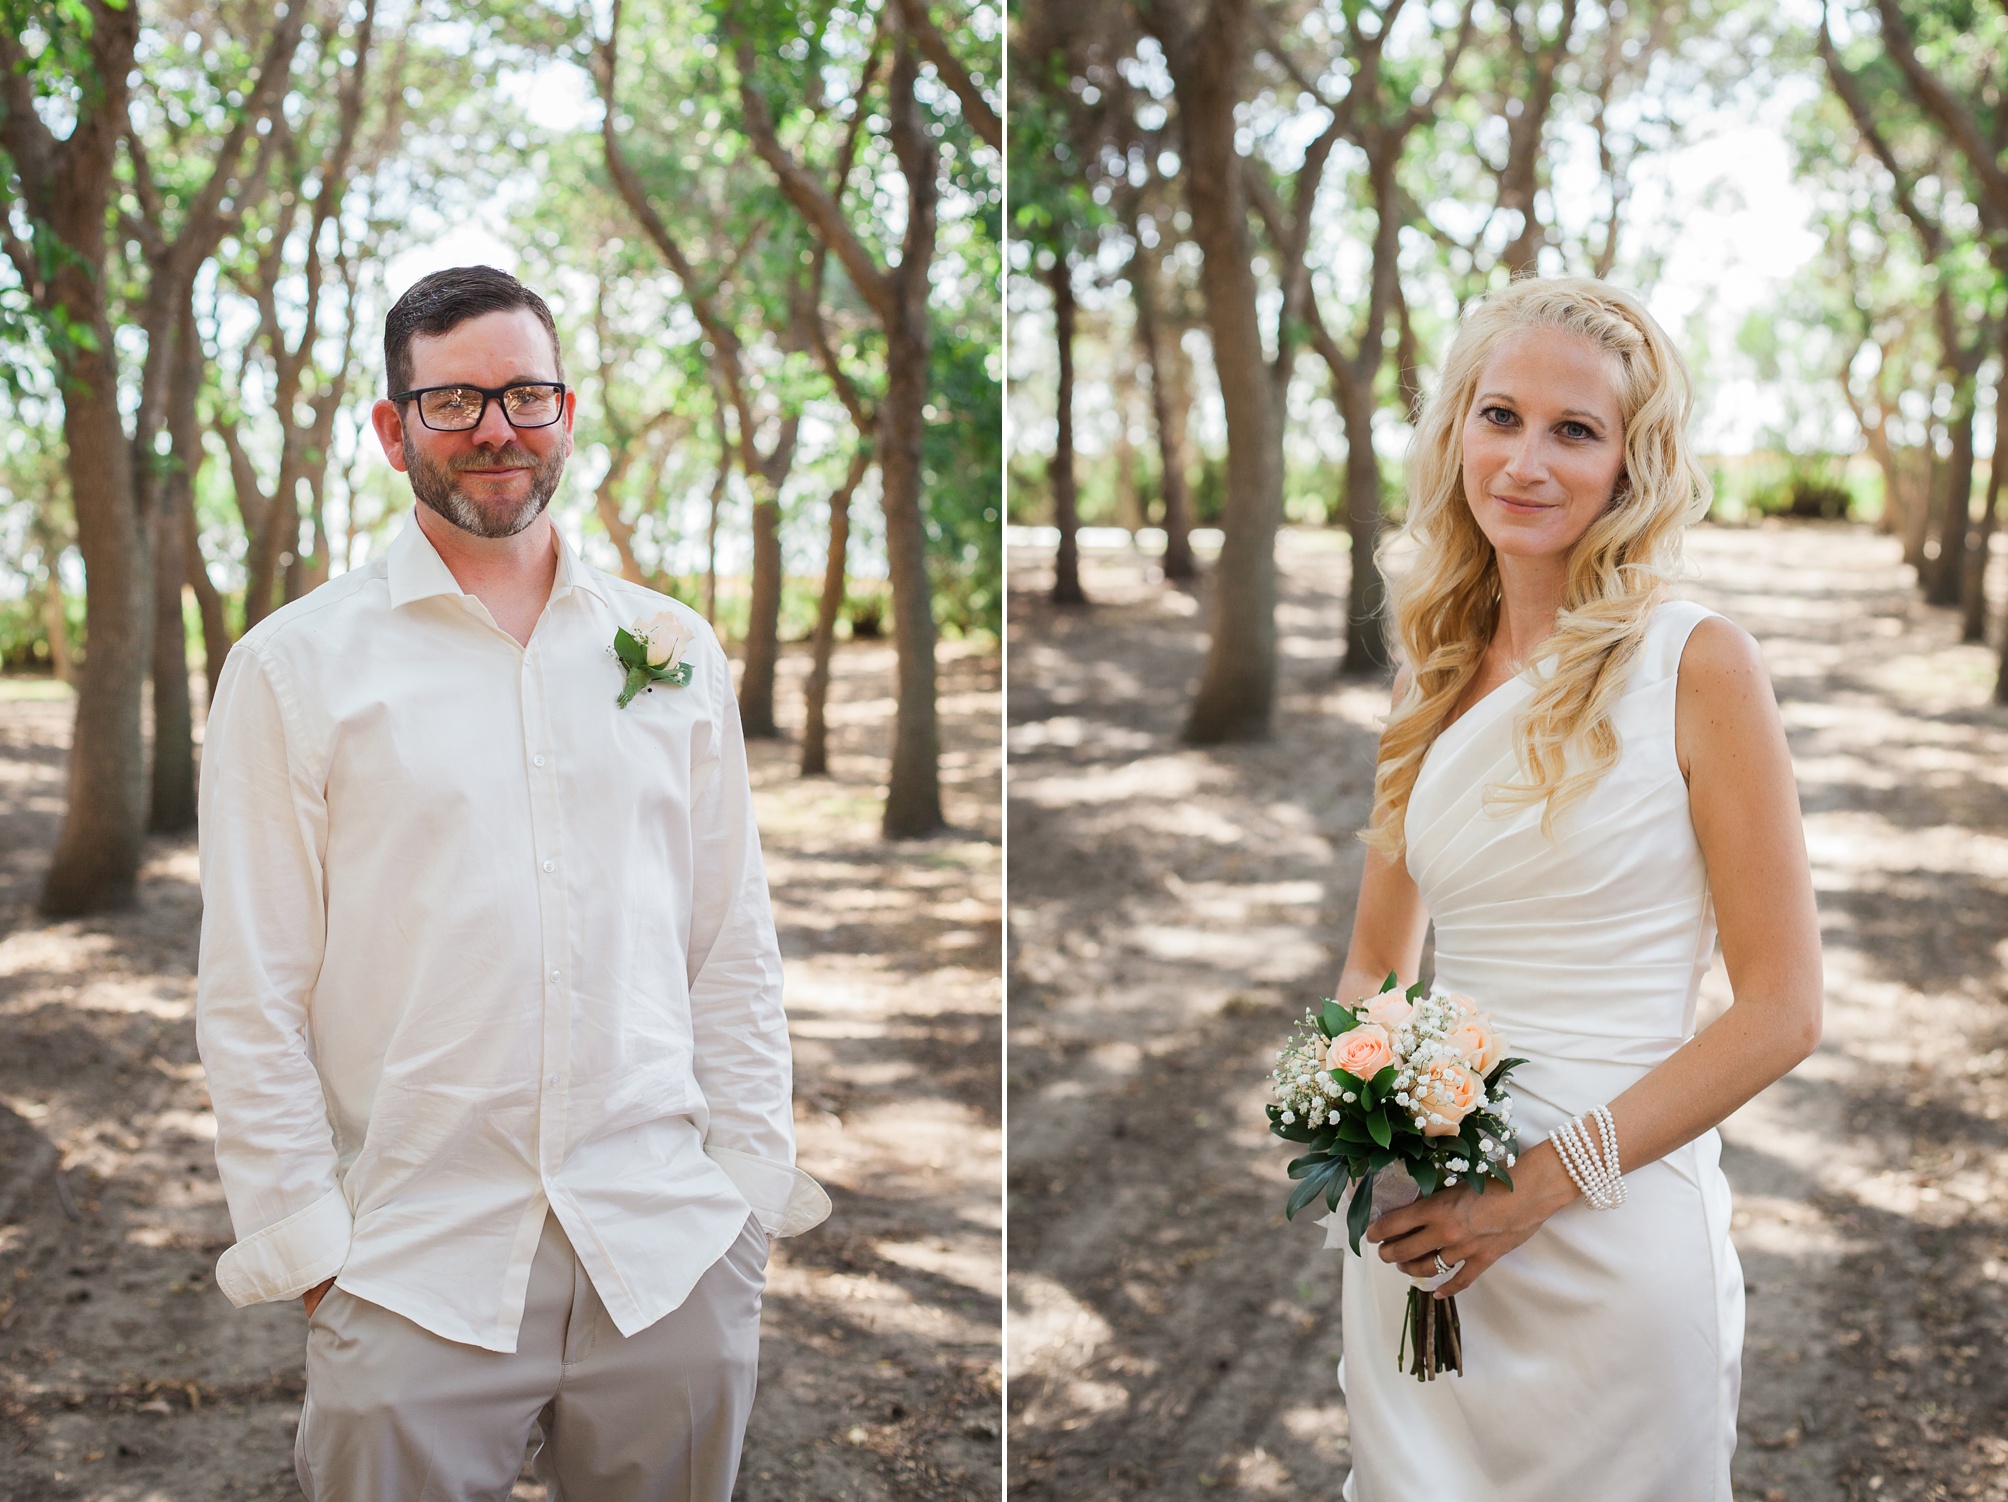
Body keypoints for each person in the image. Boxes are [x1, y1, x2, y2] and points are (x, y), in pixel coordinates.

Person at [195, 264, 828, 1501]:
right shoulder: (292, 669)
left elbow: (729, 938)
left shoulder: (673, 648)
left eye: (526, 393)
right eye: (455, 401)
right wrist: (315, 1249)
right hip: (413, 1253)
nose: (497, 427)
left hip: (667, 1244)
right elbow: (251, 984)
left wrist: (747, 1189)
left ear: (568, 411)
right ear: (393, 429)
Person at [1330, 277, 1822, 1500]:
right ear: (1455, 432)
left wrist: (1538, 1185)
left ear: (1630, 463)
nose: (1526, 461)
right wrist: (1363, 1113)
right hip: (1429, 1233)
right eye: (1499, 415)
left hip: (1611, 1229)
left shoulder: (1698, 662)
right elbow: (1376, 968)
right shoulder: (1432, 676)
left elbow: (1782, 1008)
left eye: (1575, 429)